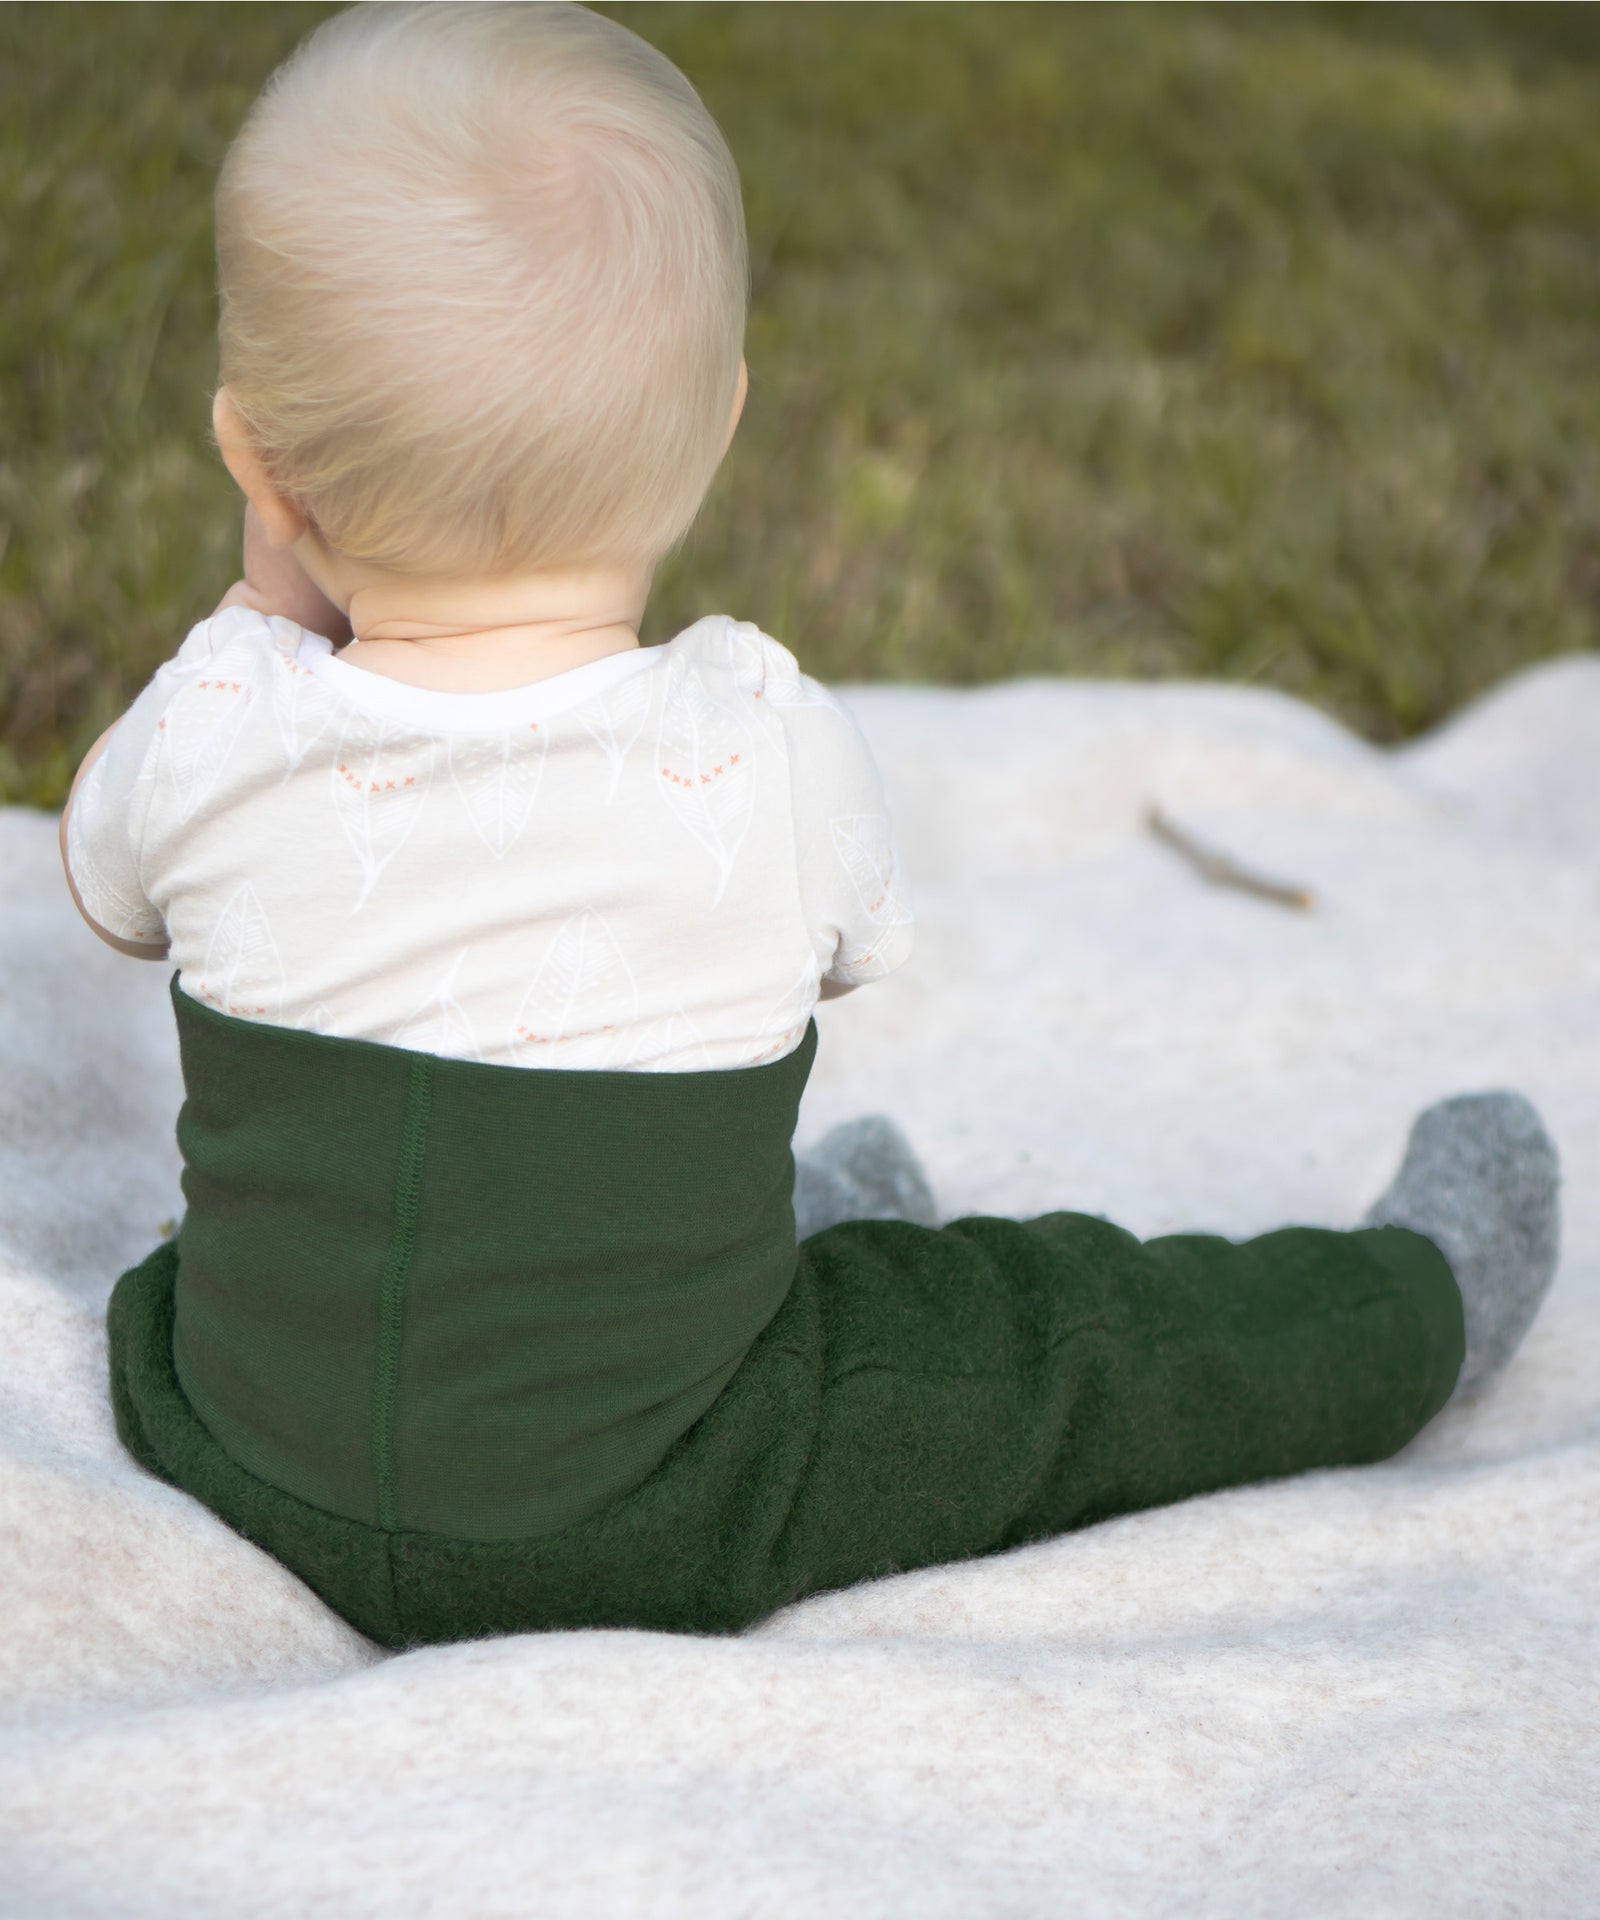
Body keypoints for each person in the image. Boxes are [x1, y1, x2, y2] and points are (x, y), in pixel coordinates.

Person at [62, 2, 1560, 1650]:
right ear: (719, 428)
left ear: (253, 462)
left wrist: (262, 620)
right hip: (656, 1496)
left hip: (246, 1441)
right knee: (1054, 1343)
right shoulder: (763, 745)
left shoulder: (209, 722)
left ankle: (752, 1256)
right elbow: (842, 956)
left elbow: (111, 895)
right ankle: (1409, 1307)